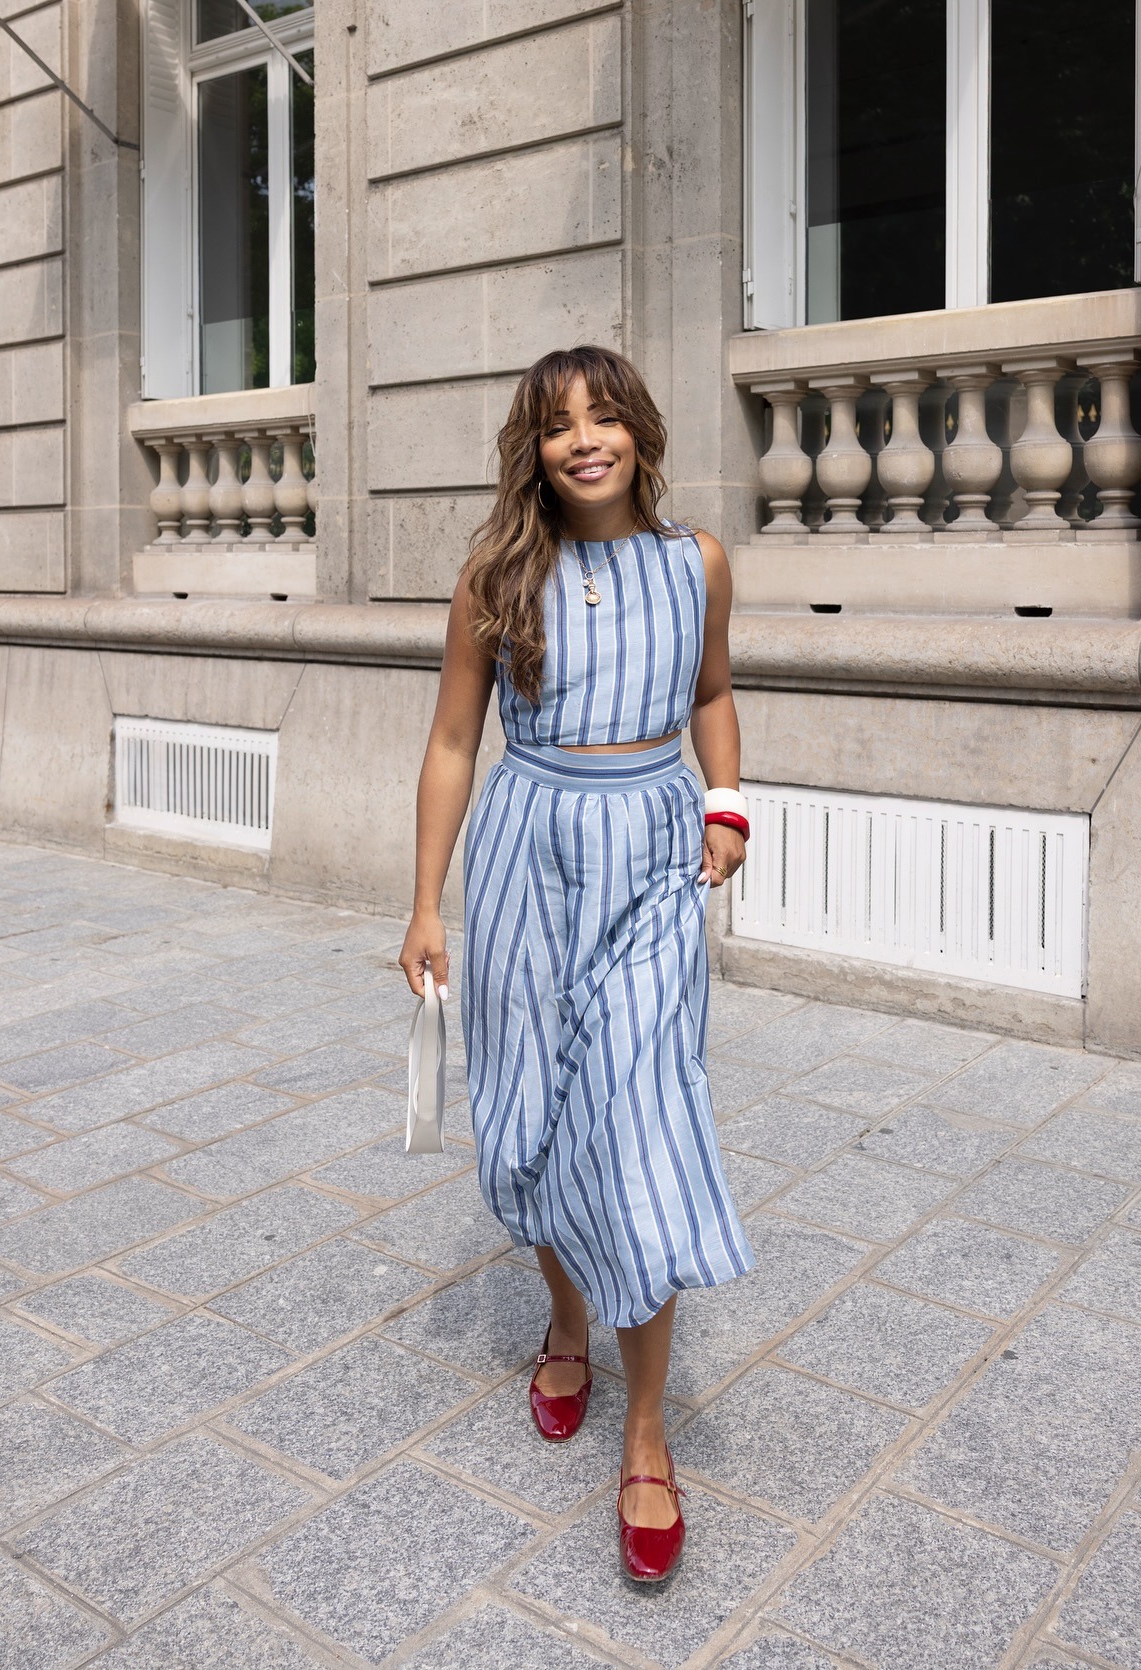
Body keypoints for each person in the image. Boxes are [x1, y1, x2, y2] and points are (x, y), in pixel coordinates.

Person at [399, 344, 755, 1583]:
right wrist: (425, 903)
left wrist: (730, 804)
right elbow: (454, 740)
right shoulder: (498, 575)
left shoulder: (696, 560)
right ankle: (565, 1317)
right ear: (534, 449)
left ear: (640, 431)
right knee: (533, 1120)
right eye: (560, 425)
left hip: (653, 855)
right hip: (523, 854)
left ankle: (646, 1432)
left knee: (645, 1122)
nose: (586, 438)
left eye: (606, 415)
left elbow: (711, 692)